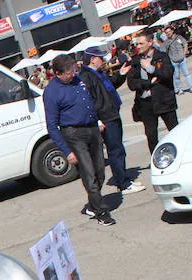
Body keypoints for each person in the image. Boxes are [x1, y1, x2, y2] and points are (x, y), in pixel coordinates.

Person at [42, 54, 116, 226]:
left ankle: (92, 204)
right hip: (74, 134)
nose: (73, 74)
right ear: (57, 73)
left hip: (92, 128)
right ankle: (101, 212)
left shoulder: (78, 81)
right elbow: (52, 126)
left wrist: (96, 120)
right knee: (88, 173)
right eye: (69, 73)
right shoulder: (52, 93)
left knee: (100, 171)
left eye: (74, 70)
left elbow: (87, 101)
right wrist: (67, 151)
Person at [78, 47, 145, 196]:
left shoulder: (99, 73)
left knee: (119, 148)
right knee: (115, 150)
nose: (103, 61)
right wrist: (96, 120)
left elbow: (110, 85)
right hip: (105, 117)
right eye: (100, 58)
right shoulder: (86, 77)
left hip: (112, 113)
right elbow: (88, 101)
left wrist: (120, 75)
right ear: (92, 59)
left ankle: (123, 176)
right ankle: (122, 184)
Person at [127, 33, 178, 155]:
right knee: (151, 136)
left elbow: (168, 74)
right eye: (136, 44)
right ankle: (157, 158)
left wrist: (151, 68)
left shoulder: (162, 57)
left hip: (163, 100)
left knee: (175, 130)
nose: (138, 46)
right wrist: (148, 83)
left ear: (150, 43)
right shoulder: (135, 61)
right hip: (145, 103)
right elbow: (132, 84)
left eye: (141, 43)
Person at [164, 26, 192, 94]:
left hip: (182, 59)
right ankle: (180, 89)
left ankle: (191, 87)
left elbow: (185, 44)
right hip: (174, 61)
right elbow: (165, 52)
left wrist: (184, 53)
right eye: (166, 33)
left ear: (172, 31)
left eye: (169, 32)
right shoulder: (166, 42)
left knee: (187, 74)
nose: (168, 33)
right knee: (176, 76)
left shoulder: (179, 37)